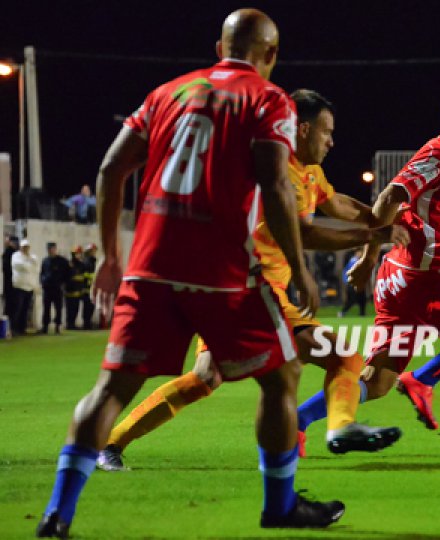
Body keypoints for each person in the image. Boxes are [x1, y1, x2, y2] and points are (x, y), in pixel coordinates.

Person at [36, 10, 344, 538]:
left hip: (150, 263)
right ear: (270, 56)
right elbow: (273, 183)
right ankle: (281, 504)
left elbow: (112, 169)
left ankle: (57, 514)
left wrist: (112, 257)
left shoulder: (167, 93)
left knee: (111, 387)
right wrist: (299, 267)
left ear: (219, 44)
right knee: (283, 375)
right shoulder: (269, 100)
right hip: (221, 268)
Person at [97, 88, 403, 469]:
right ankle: (339, 427)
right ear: (303, 129)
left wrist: (385, 219)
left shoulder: (309, 173)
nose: (332, 141)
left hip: (246, 291)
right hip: (248, 290)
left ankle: (110, 443)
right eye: (326, 132)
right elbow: (302, 232)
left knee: (204, 379)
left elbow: (339, 204)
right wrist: (373, 236)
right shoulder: (275, 171)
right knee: (343, 357)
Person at [298, 90, 440, 436]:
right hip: (426, 275)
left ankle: (297, 421)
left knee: (379, 380)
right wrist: (369, 248)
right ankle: (421, 382)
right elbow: (391, 196)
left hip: (397, 277)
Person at [39, 242, 71, 334]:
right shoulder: (45, 261)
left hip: (57, 288)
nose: (51, 251)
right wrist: (42, 282)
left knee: (58, 308)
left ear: (55, 249)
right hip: (47, 288)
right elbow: (42, 273)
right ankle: (45, 326)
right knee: (46, 308)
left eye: (52, 249)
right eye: (49, 249)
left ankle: (57, 326)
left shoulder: (62, 261)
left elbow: (68, 273)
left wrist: (64, 284)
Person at [11, 239, 40, 335]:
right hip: (19, 286)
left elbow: (35, 268)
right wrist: (28, 265)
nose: (25, 249)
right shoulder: (16, 256)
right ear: (21, 247)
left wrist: (28, 265)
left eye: (27, 247)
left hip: (29, 287)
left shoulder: (32, 257)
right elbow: (20, 266)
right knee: (17, 309)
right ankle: (14, 328)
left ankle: (22, 328)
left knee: (26, 309)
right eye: (24, 247)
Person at [63, 247, 86, 330]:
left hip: (78, 291)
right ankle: (69, 324)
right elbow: (66, 277)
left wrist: (82, 288)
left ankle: (73, 324)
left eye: (79, 253)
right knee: (69, 309)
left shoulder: (81, 265)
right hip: (69, 291)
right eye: (76, 253)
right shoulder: (69, 265)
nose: (78, 255)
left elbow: (83, 277)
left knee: (76, 309)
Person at [338, 250, 366, 317]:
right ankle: (342, 312)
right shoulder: (353, 261)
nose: (361, 254)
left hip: (359, 283)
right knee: (352, 299)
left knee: (362, 299)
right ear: (356, 253)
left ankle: (362, 313)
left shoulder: (358, 261)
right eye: (360, 252)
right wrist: (347, 281)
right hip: (353, 284)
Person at [80, 243, 98, 329]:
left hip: (93, 287)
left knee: (91, 306)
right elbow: (85, 274)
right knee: (87, 306)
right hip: (87, 288)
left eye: (94, 250)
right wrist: (94, 276)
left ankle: (88, 322)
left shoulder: (94, 261)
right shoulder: (86, 261)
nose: (93, 252)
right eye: (92, 250)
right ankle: (86, 323)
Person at [2, 235, 19, 320]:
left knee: (10, 306)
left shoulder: (10, 252)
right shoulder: (12, 252)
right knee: (11, 306)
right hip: (11, 283)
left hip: (10, 283)